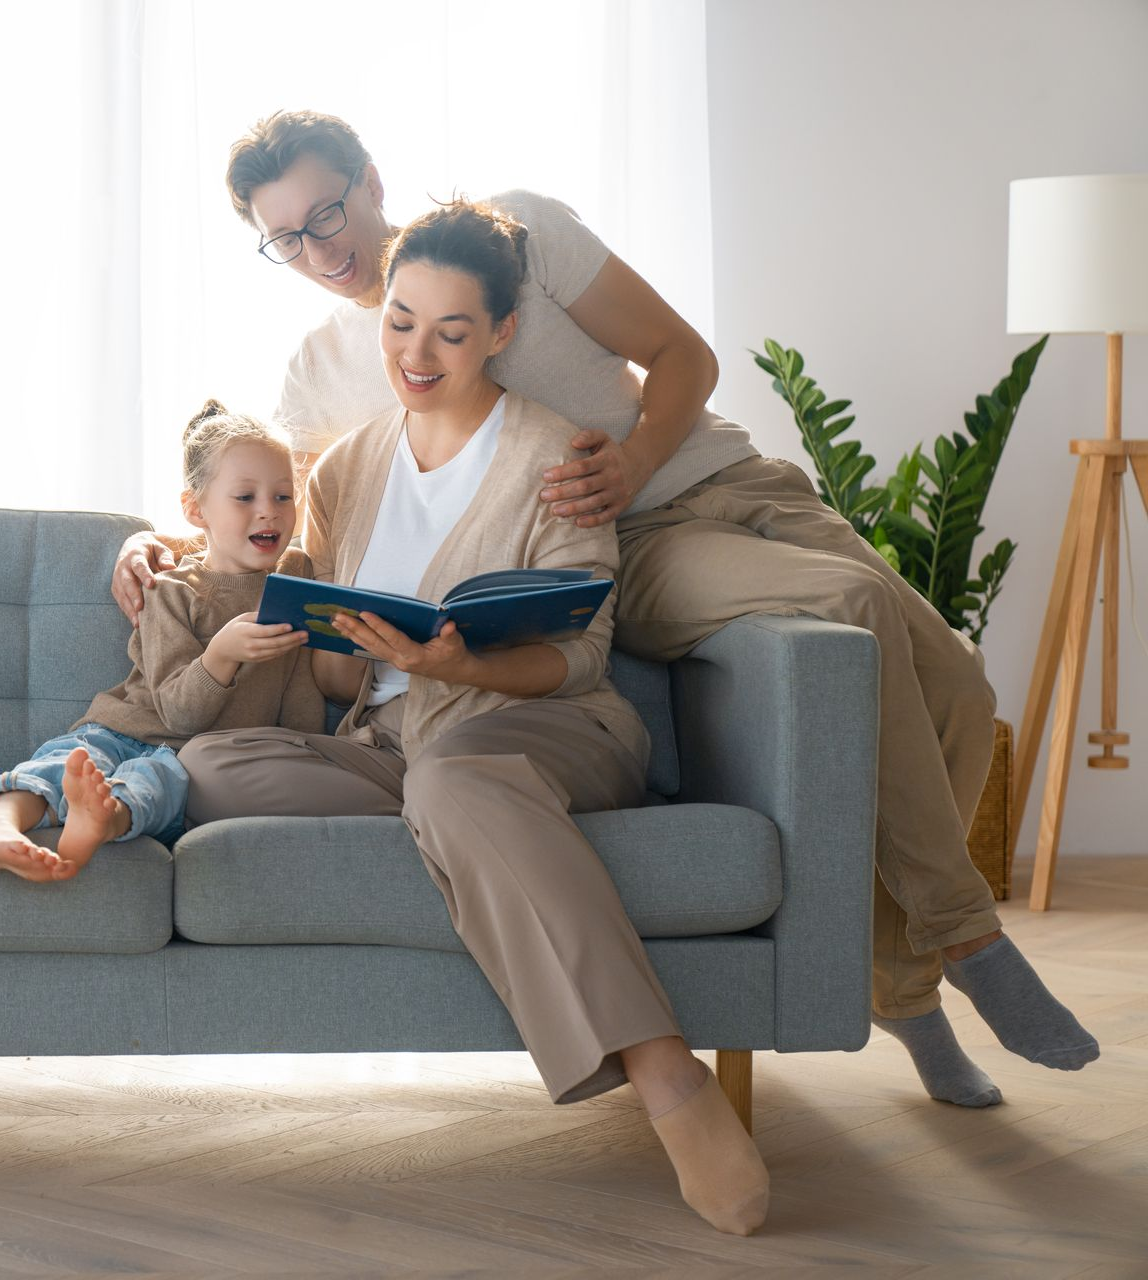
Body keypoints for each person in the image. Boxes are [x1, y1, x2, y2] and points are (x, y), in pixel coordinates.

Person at [115, 110, 1098, 1108]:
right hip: (632, 549)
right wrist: (156, 540)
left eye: (326, 211)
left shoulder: (521, 236)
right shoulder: (321, 372)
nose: (318, 249)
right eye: (284, 237)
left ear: (370, 180)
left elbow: (681, 355)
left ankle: (898, 982)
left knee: (957, 687)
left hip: (720, 478)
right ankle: (959, 937)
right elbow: (267, 507)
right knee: (846, 603)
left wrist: (629, 459)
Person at [180, 202, 770, 1236]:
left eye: (450, 331)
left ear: (500, 331)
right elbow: (318, 664)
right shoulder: (346, 466)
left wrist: (461, 662)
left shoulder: (558, 457)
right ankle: (455, 824)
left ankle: (663, 1069)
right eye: (400, 321)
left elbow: (581, 655)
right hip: (391, 743)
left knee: (455, 774)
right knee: (212, 762)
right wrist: (220, 581)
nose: (416, 350)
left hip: (542, 727)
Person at [0, 400, 322, 883]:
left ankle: (98, 820)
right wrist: (222, 655)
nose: (268, 512)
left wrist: (310, 750)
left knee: (154, 784)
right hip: (123, 727)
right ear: (195, 509)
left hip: (188, 757)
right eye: (245, 497)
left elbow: (300, 691)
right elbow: (176, 711)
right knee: (68, 761)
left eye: (284, 497)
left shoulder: (296, 579)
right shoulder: (171, 591)